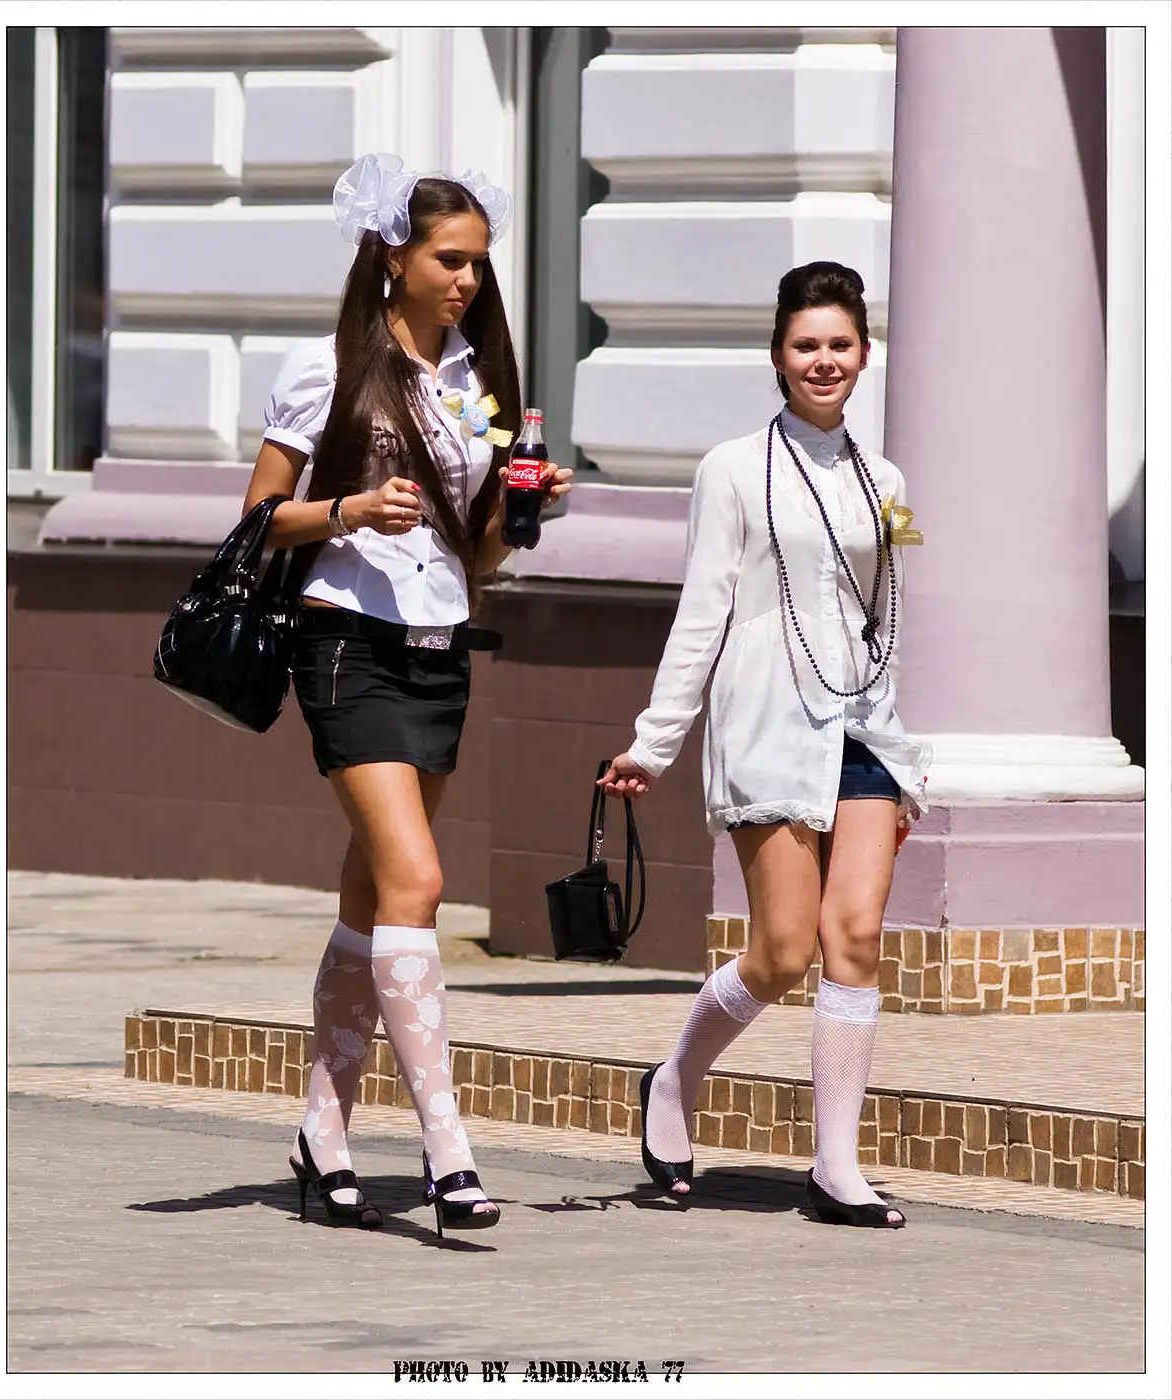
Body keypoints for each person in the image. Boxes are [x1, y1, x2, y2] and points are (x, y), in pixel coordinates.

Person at [242, 153, 572, 1235]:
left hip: (439, 646)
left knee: (373, 895)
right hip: (346, 642)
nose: (468, 279)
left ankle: (322, 1135)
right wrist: (349, 510)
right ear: (396, 256)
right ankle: (448, 1152)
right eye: (450, 259)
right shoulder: (329, 365)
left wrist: (524, 508)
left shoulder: (476, 382)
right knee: (420, 880)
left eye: (478, 262)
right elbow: (258, 520)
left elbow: (477, 552)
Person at [598, 262, 929, 1228]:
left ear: (863, 354)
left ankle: (836, 1168)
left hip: (863, 729)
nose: (824, 361)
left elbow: (884, 619)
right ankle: (674, 1077)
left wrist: (903, 751)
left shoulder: (884, 480)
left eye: (840, 345)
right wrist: (655, 742)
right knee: (782, 951)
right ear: (777, 358)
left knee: (854, 938)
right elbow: (701, 612)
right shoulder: (734, 468)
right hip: (769, 726)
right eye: (805, 346)